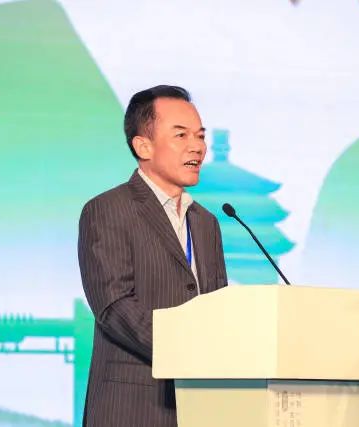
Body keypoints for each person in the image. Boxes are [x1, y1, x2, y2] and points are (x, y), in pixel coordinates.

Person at [78, 85, 228, 427]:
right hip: (132, 407)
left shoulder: (206, 223)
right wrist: (187, 351)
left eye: (200, 136)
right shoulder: (107, 210)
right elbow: (115, 306)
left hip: (201, 407)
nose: (197, 147)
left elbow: (218, 307)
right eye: (181, 135)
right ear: (143, 146)